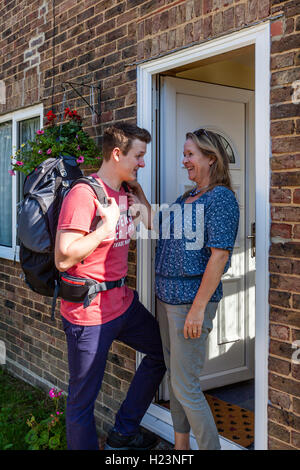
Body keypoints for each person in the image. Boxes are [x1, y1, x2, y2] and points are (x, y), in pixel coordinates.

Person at [54, 122, 166, 451]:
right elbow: (63, 257)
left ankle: (123, 433)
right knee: (82, 400)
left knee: (161, 353)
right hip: (88, 313)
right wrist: (107, 225)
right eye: (139, 156)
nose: (143, 163)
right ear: (117, 154)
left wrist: (138, 191)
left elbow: (151, 222)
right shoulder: (84, 194)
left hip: (122, 304)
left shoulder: (125, 191)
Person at [128, 129, 240, 450]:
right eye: (185, 154)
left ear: (211, 158)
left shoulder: (221, 199)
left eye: (190, 154)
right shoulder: (186, 196)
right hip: (167, 302)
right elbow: (156, 224)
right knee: (176, 384)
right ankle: (181, 448)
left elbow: (219, 257)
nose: (184, 161)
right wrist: (139, 193)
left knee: (186, 387)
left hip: (190, 305)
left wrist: (197, 308)